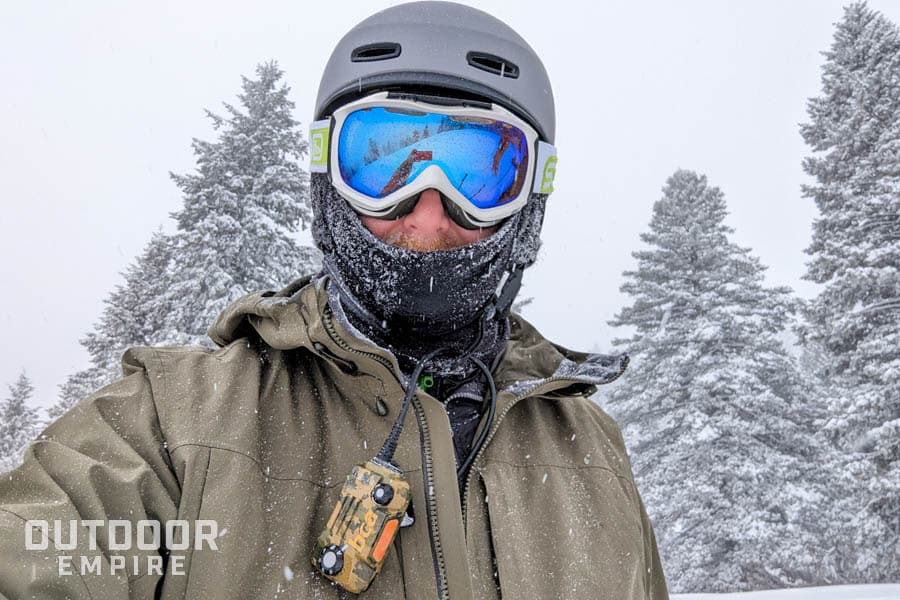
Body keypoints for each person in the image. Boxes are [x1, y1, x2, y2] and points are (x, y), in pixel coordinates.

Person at [0, 2, 668, 598]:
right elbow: (38, 545)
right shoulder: (175, 423)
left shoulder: (591, 449)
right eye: (385, 163)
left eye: (479, 173)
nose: (428, 215)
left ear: (530, 201)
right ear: (328, 180)